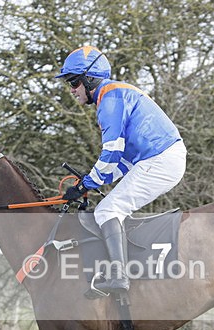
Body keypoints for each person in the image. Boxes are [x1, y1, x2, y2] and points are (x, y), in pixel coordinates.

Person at [56, 46, 187, 295]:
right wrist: (90, 181)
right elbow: (123, 162)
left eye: (73, 82)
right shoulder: (114, 94)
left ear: (89, 79)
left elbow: (112, 152)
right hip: (158, 158)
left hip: (161, 159)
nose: (71, 89)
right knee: (111, 205)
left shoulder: (110, 99)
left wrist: (86, 184)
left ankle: (119, 277)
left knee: (108, 209)